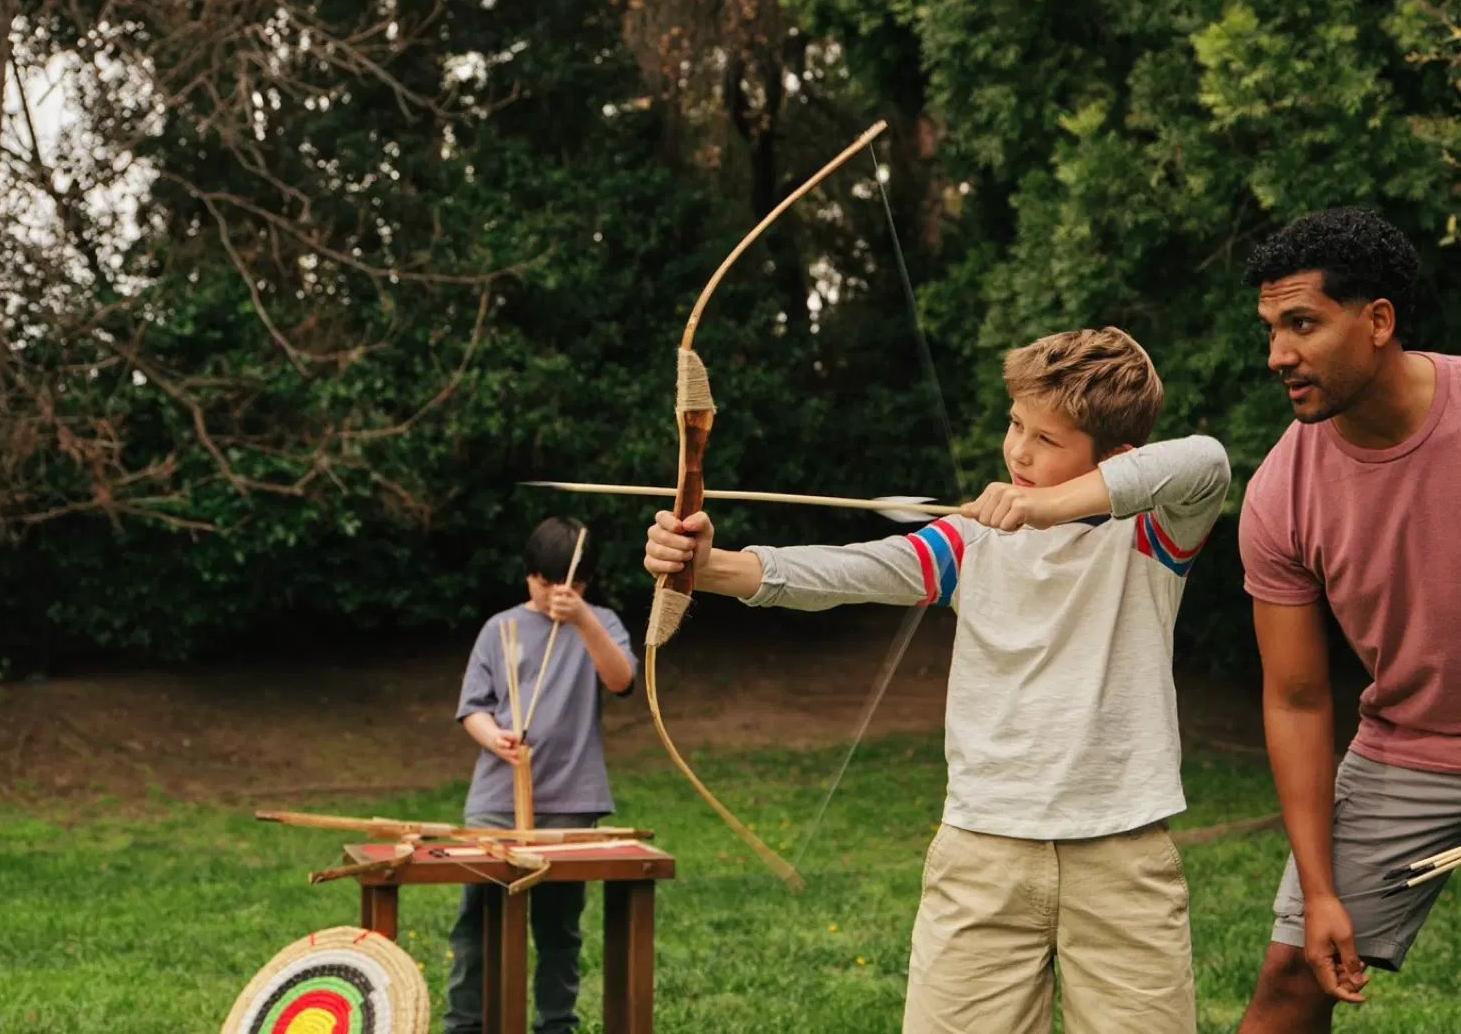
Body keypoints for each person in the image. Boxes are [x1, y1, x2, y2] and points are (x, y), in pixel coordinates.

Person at [644, 327, 1231, 1034]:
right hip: (982, 853)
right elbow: (853, 570)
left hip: (1122, 854)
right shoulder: (970, 542)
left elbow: (1206, 460)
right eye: (1016, 424)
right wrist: (714, 568)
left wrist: (1048, 506)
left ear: (1115, 457)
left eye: (1047, 440)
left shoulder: (1150, 538)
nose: (1018, 450)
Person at [1236, 207, 1461, 1033]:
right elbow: (1296, 699)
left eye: (1301, 323)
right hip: (1411, 748)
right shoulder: (1278, 496)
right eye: (1270, 329)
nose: (1278, 355)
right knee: (1291, 981)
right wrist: (1320, 891)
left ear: (1377, 322)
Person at [443, 516, 637, 1034]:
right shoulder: (499, 628)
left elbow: (621, 680)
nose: (556, 593)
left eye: (568, 583)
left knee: (558, 929)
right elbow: (473, 708)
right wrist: (494, 738)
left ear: (586, 583)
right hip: (495, 798)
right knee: (476, 927)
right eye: (544, 582)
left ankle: (556, 1025)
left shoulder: (603, 623)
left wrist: (583, 622)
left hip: (571, 797)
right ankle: (466, 1025)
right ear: (528, 576)